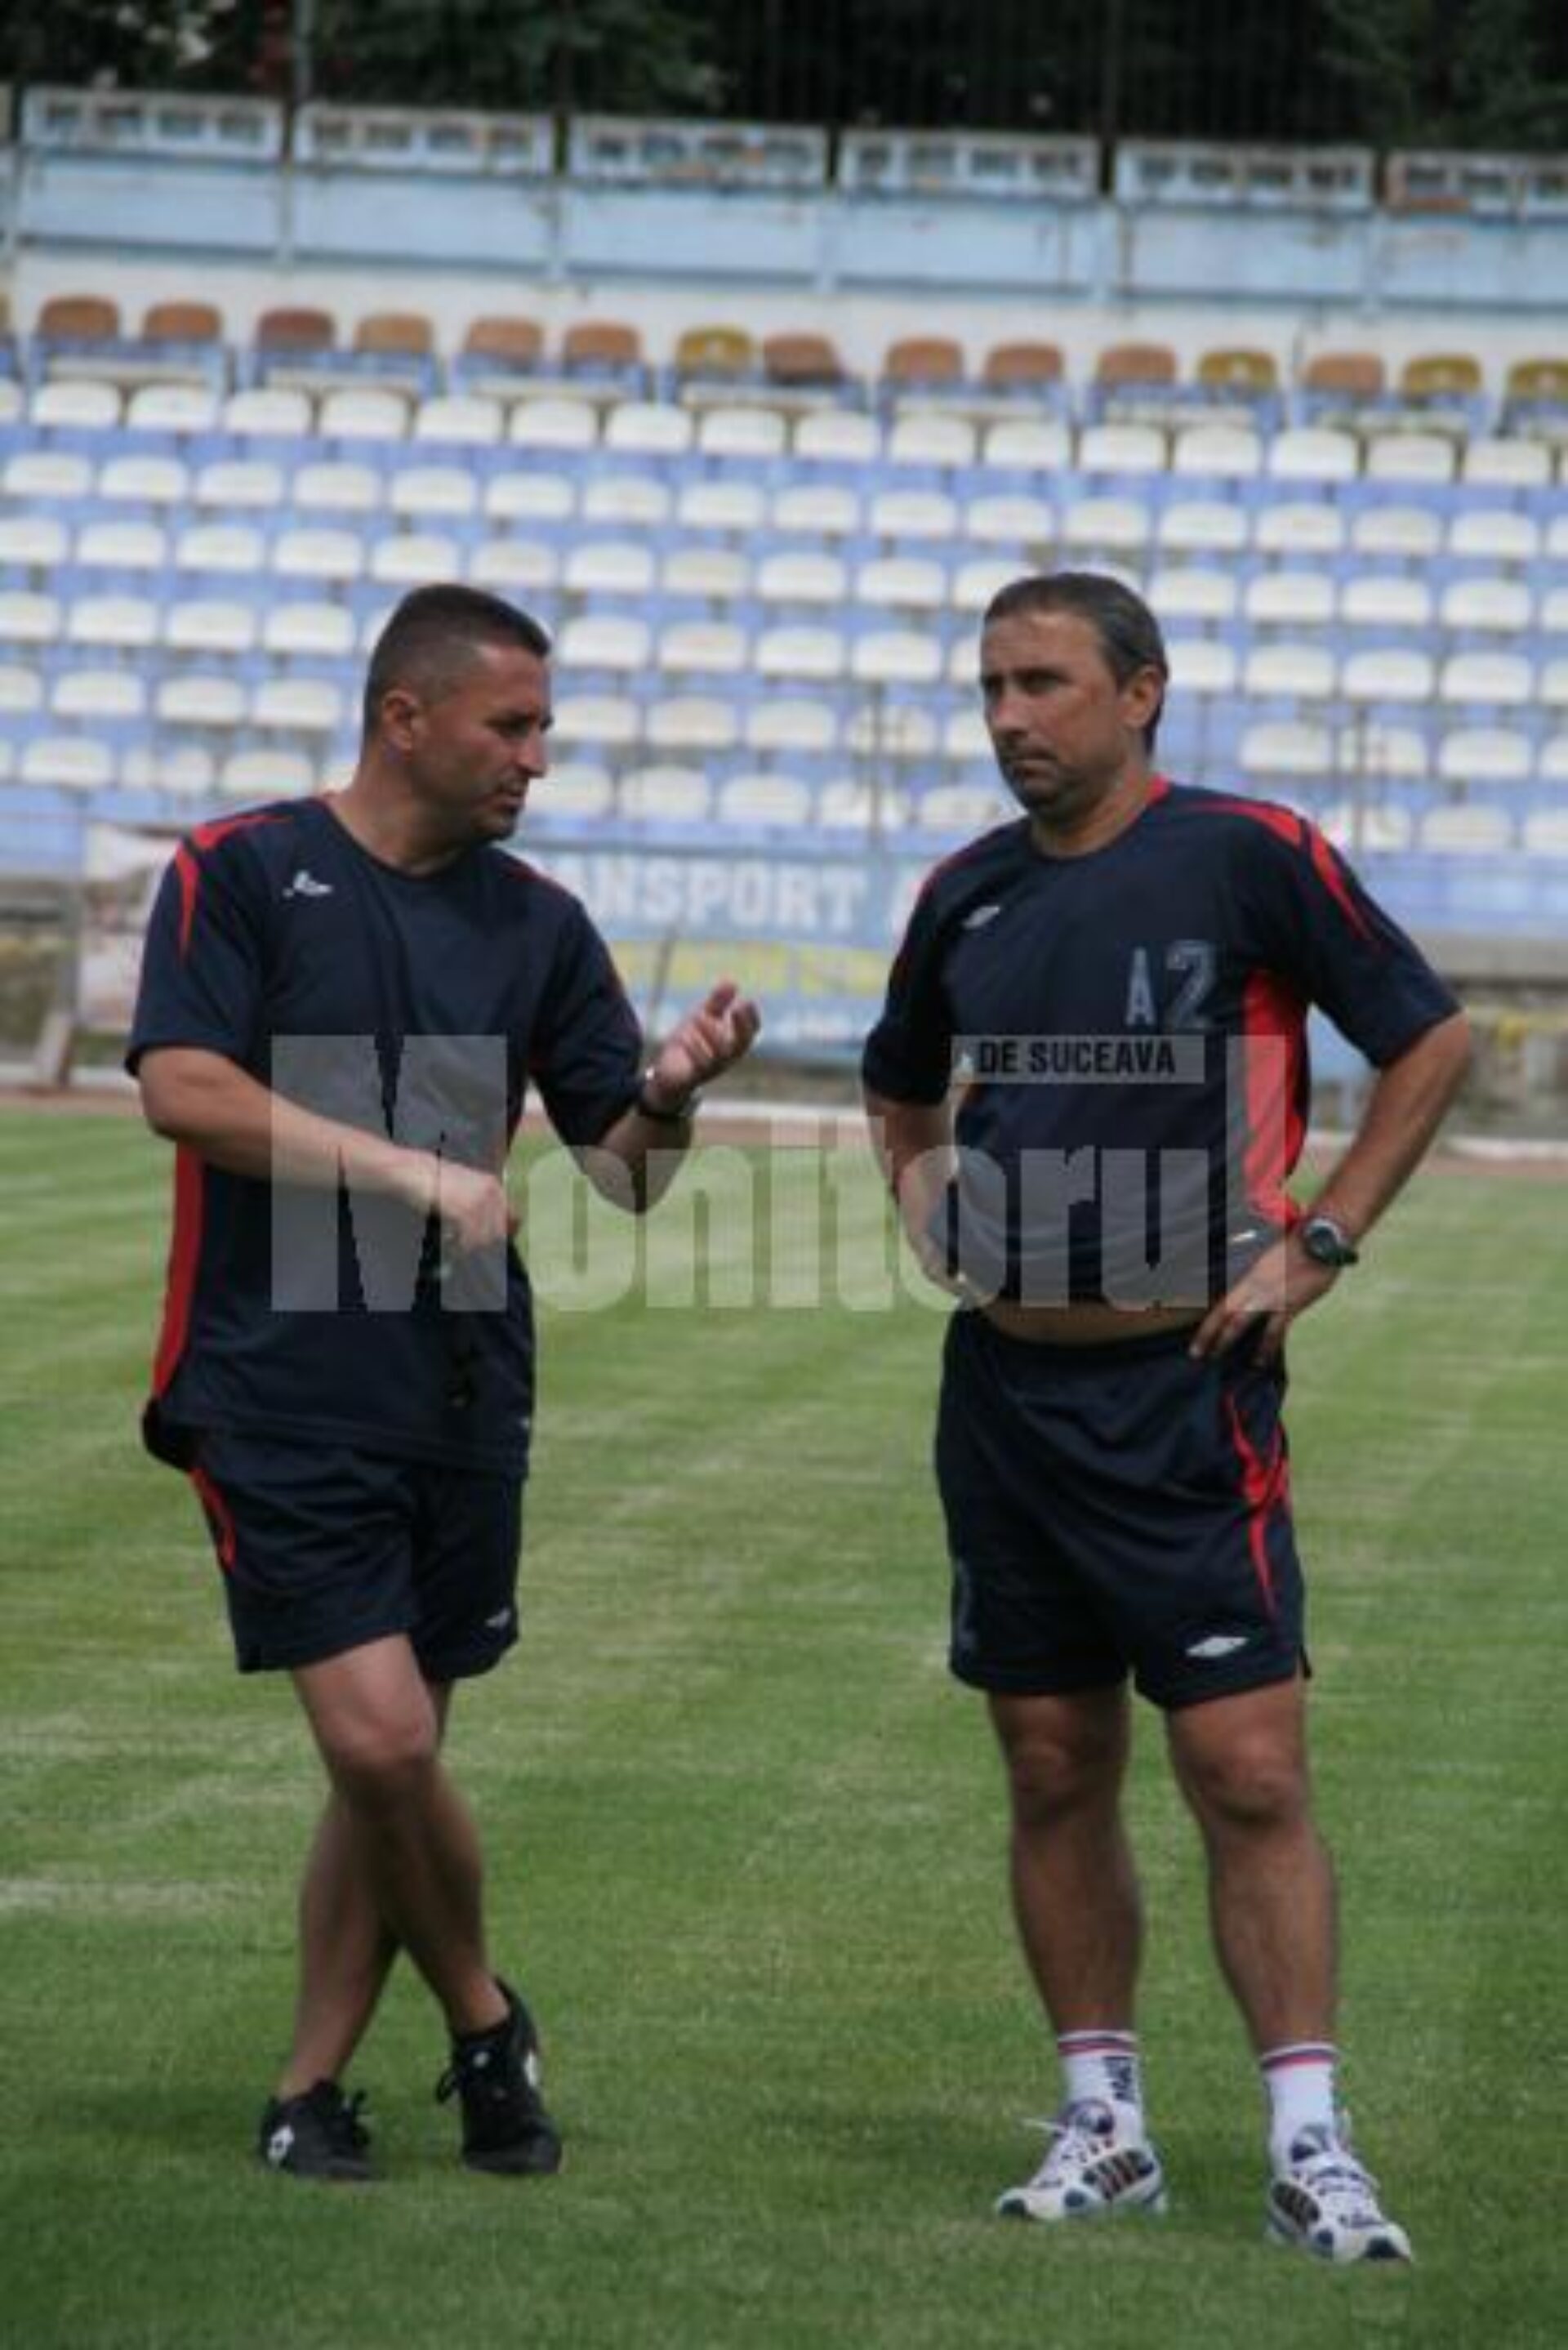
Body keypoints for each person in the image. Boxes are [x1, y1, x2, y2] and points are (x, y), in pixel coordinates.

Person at [862, 570, 1470, 2263]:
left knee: (1248, 1768)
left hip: (1185, 1391)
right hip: (1005, 1396)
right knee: (1052, 1760)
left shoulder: (1248, 853)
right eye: (993, 685)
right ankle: (1105, 2122)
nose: (1010, 717)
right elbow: (897, 1077)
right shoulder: (965, 892)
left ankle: (1310, 2144)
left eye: (1044, 682)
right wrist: (925, 1202)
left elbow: (1426, 1041)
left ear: (1141, 692)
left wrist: (1321, 1241)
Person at [129, 582, 760, 2183]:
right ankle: (486, 2019)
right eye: (511, 724)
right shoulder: (242, 869)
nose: (535, 757)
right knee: (384, 1745)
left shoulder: (537, 920)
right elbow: (184, 1088)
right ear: (404, 718)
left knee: (387, 1766)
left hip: (464, 1384)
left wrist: (675, 1094)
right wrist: (412, 1169)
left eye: (544, 727)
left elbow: (622, 1171)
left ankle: (309, 2086)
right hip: (275, 1382)